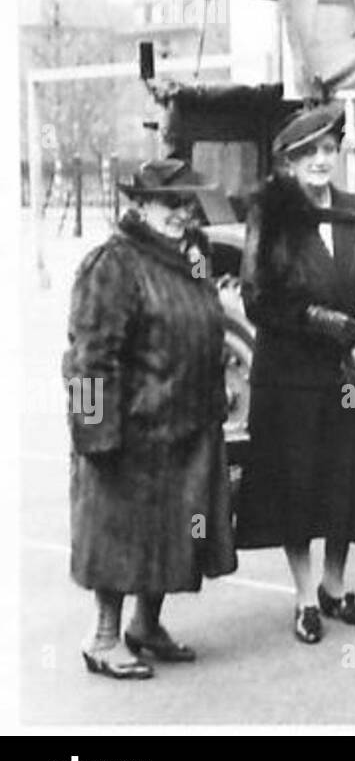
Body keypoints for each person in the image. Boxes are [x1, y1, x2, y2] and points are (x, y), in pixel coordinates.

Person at [64, 159, 237, 679]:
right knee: (120, 536)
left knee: (175, 534)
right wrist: (93, 432)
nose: (183, 213)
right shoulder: (113, 264)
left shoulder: (192, 257)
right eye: (170, 203)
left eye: (188, 203)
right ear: (138, 206)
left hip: (186, 429)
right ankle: (104, 639)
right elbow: (89, 358)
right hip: (131, 435)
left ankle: (146, 626)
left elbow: (209, 324)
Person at [237, 105, 355, 644]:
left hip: (347, 373)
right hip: (290, 376)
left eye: (328, 150)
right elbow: (259, 300)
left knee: (344, 479)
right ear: (289, 162)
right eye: (308, 154)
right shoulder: (273, 216)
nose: (320, 161)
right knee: (297, 485)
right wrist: (326, 323)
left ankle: (335, 585)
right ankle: (305, 597)